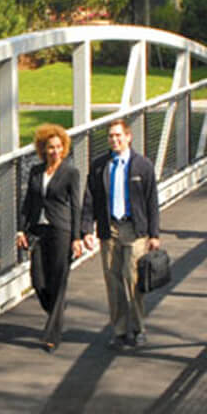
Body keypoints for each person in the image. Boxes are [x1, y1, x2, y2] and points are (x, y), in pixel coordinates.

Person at [80, 117, 161, 349]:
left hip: (134, 230)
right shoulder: (99, 166)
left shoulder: (143, 166)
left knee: (133, 279)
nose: (114, 140)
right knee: (113, 281)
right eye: (111, 136)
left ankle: (138, 328)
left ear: (128, 137)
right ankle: (120, 330)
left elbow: (151, 201)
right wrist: (86, 229)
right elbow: (90, 199)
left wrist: (154, 234)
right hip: (109, 229)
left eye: (118, 135)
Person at [15, 124, 82, 352]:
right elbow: (28, 201)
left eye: (58, 147)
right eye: (50, 147)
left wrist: (76, 238)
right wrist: (21, 229)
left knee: (59, 280)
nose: (55, 151)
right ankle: (57, 307)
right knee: (39, 280)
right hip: (38, 230)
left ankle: (52, 335)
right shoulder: (36, 171)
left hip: (61, 230)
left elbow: (76, 206)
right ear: (43, 149)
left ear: (64, 148)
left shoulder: (70, 173)